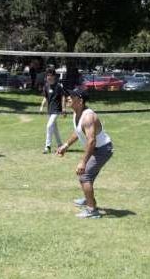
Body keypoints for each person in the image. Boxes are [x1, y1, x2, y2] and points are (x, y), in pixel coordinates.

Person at [56, 88, 114, 219]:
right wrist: (66, 145)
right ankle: (88, 199)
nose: (68, 98)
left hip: (103, 149)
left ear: (80, 101)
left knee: (85, 176)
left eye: (72, 96)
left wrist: (83, 161)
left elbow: (92, 141)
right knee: (88, 176)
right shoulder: (77, 113)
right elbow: (78, 132)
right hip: (97, 148)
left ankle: (92, 210)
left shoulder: (88, 117)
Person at [40, 67, 66, 154]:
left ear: (54, 76)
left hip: (57, 110)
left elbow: (63, 97)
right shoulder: (46, 86)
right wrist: (41, 107)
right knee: (54, 129)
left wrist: (64, 109)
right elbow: (45, 98)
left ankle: (48, 147)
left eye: (50, 75)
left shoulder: (58, 86)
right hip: (50, 110)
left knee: (49, 126)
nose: (49, 77)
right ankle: (60, 145)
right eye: (48, 75)